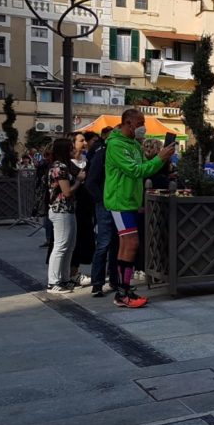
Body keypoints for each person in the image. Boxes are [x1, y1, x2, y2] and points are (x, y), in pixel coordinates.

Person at [104, 109, 174, 308]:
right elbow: (136, 171)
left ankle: (123, 291)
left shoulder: (134, 144)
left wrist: (162, 158)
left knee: (127, 244)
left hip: (129, 200)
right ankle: (122, 291)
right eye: (140, 122)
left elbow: (146, 169)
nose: (143, 126)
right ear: (128, 123)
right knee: (131, 243)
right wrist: (160, 157)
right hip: (120, 201)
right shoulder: (116, 145)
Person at [85, 127, 119, 298]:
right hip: (106, 204)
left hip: (119, 203)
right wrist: (102, 200)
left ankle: (114, 279)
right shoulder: (102, 153)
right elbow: (90, 182)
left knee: (116, 244)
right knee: (105, 243)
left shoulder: (117, 153)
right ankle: (97, 283)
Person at [46, 137, 82, 293]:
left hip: (67, 210)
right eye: (71, 148)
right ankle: (53, 282)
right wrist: (79, 181)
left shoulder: (62, 166)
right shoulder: (59, 167)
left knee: (69, 246)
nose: (74, 150)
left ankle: (64, 279)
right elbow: (66, 192)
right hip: (60, 210)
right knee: (61, 246)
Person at [67, 132, 95, 287]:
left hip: (87, 204)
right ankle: (72, 273)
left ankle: (76, 270)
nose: (84, 143)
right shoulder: (66, 163)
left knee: (85, 237)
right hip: (73, 205)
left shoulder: (86, 160)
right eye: (81, 140)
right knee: (73, 240)